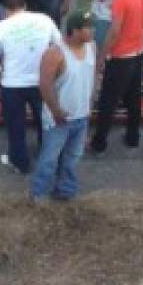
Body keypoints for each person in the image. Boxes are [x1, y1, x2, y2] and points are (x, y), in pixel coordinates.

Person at [0, 0, 61, 173]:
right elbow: (59, 47)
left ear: (5, 9)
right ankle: (49, 156)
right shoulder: (44, 20)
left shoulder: (0, 27)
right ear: (25, 5)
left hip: (12, 84)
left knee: (16, 126)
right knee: (45, 122)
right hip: (41, 82)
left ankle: (20, 162)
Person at [90, 0, 143, 154]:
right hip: (138, 52)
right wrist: (139, 37)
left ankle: (99, 142)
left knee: (108, 100)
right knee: (133, 97)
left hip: (120, 56)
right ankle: (132, 136)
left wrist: (102, 56)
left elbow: (114, 32)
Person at [31, 11, 97, 202]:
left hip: (81, 115)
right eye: (88, 27)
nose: (93, 31)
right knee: (49, 159)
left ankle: (66, 190)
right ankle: (40, 193)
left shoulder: (91, 46)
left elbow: (91, 76)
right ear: (74, 31)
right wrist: (56, 112)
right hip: (60, 118)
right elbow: (45, 85)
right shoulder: (55, 53)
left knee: (73, 157)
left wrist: (89, 105)